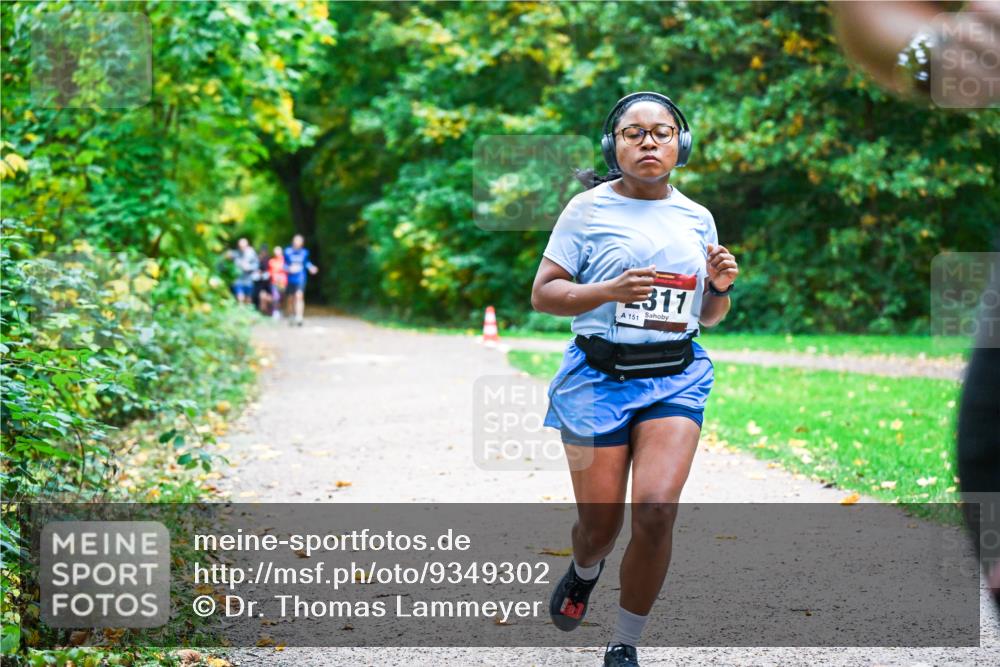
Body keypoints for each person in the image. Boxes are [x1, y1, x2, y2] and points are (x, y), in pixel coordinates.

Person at [530, 92, 739, 667]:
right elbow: (544, 294)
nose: (649, 142)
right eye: (634, 133)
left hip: (674, 377)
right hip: (595, 379)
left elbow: (709, 316)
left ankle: (624, 641)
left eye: (662, 132)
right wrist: (608, 291)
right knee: (599, 529)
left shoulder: (697, 217)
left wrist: (720, 287)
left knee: (656, 510)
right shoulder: (586, 210)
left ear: (680, 143)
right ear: (614, 145)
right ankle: (584, 569)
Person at [283, 234, 319, 327]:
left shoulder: (305, 252)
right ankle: (291, 316)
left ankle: (299, 317)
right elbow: (283, 265)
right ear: (293, 241)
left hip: (301, 278)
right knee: (290, 299)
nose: (297, 243)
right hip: (290, 279)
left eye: (299, 241)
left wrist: (311, 267)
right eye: (296, 240)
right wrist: (289, 269)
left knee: (299, 296)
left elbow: (306, 263)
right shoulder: (287, 251)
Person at [230, 237, 259, 306]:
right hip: (238, 279)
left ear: (247, 245)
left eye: (243, 246)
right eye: (240, 246)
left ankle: (247, 310)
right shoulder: (235, 253)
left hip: (248, 280)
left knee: (248, 299)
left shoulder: (251, 253)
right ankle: (240, 310)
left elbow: (256, 265)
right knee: (240, 297)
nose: (242, 248)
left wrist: (249, 267)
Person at [267, 245, 288, 320]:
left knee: (282, 297)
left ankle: (282, 310)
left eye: (278, 251)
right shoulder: (271, 261)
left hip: (283, 282)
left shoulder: (285, 261)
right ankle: (275, 311)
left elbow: (288, 270)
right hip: (274, 282)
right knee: (275, 297)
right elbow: (269, 272)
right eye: (275, 251)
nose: (277, 253)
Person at [253, 243, 272, 315]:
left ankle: (266, 312)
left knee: (266, 297)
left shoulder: (269, 260)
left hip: (266, 283)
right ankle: (261, 312)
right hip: (259, 283)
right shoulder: (257, 259)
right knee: (260, 297)